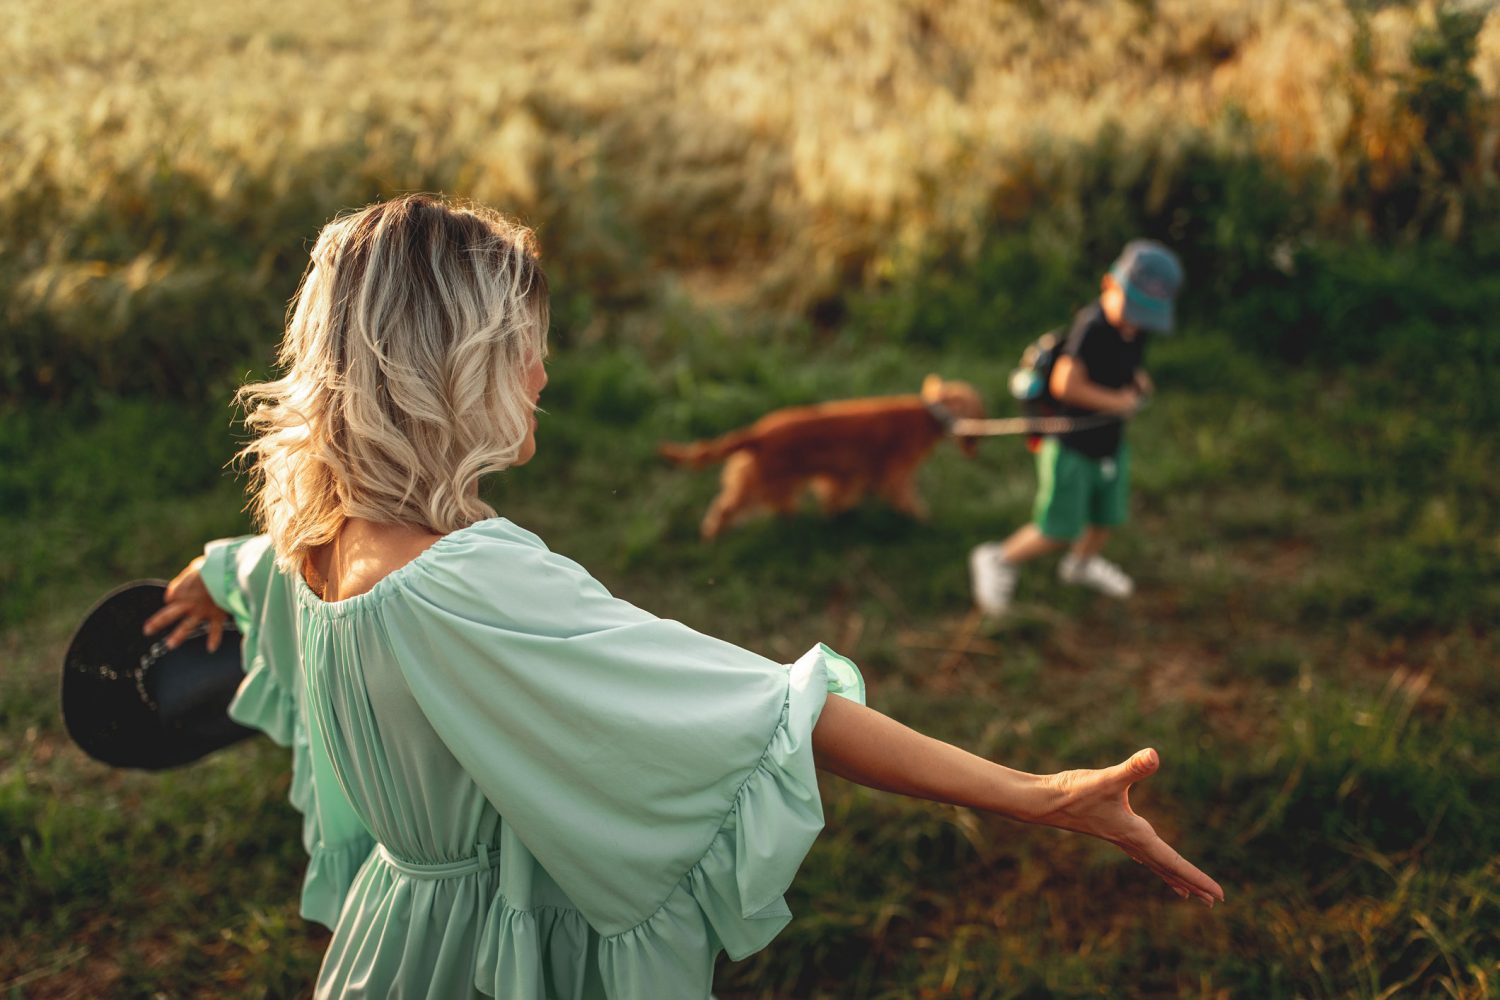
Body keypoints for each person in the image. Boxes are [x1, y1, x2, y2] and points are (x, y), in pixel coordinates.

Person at [142, 198, 1220, 999]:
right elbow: (768, 712)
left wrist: (212, 571)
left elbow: (263, 569)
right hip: (487, 958)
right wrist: (1037, 793)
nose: (543, 377)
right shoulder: (472, 583)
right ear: (452, 364)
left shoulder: (316, 541)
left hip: (389, 946)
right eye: (525, 349)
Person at [969, 240, 1183, 616]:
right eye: (1130, 309)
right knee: (1059, 527)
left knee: (1107, 516)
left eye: (1145, 316)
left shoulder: (1135, 330)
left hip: (1109, 444)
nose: (1135, 321)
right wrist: (1118, 403)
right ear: (1108, 286)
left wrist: (1137, 382)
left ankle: (1080, 565)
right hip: (1072, 446)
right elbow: (1066, 385)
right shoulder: (1092, 327)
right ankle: (998, 558)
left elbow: (1126, 363)